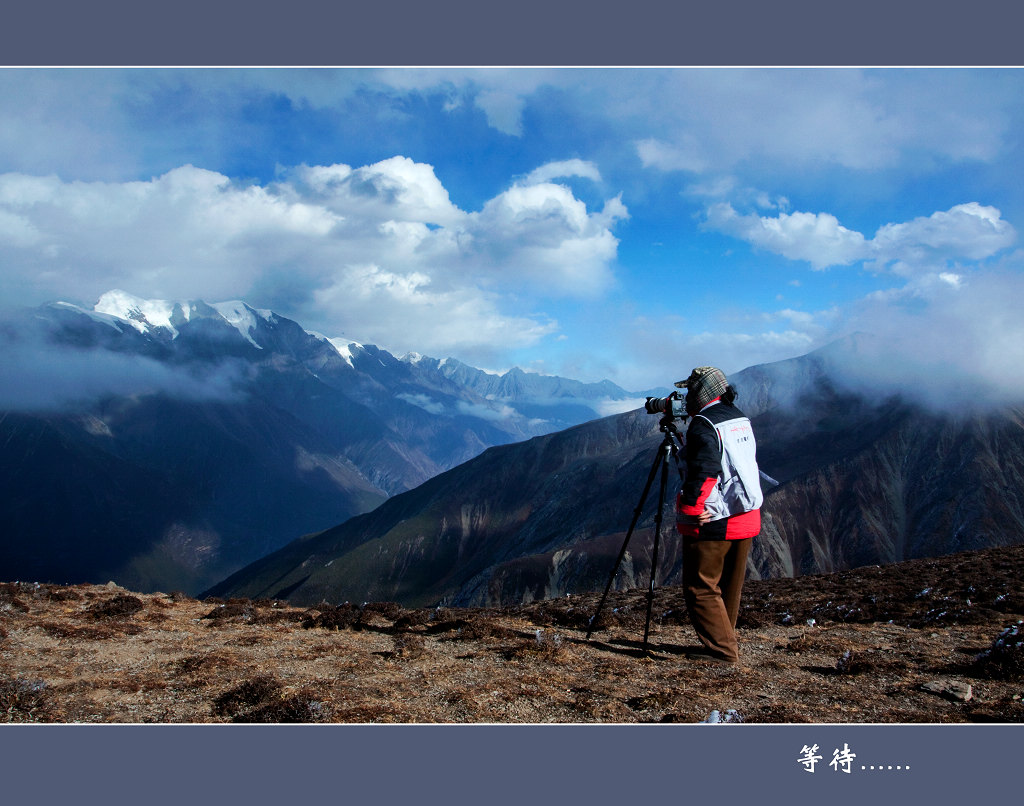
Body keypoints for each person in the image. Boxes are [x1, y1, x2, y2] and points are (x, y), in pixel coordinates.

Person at [674, 366, 763, 665]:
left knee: (700, 586)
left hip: (717, 518)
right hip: (748, 511)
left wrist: (690, 508)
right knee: (729, 586)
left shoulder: (703, 424)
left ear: (701, 392)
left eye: (690, 391)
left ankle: (722, 652)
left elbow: (705, 471)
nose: (687, 398)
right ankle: (726, 640)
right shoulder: (738, 416)